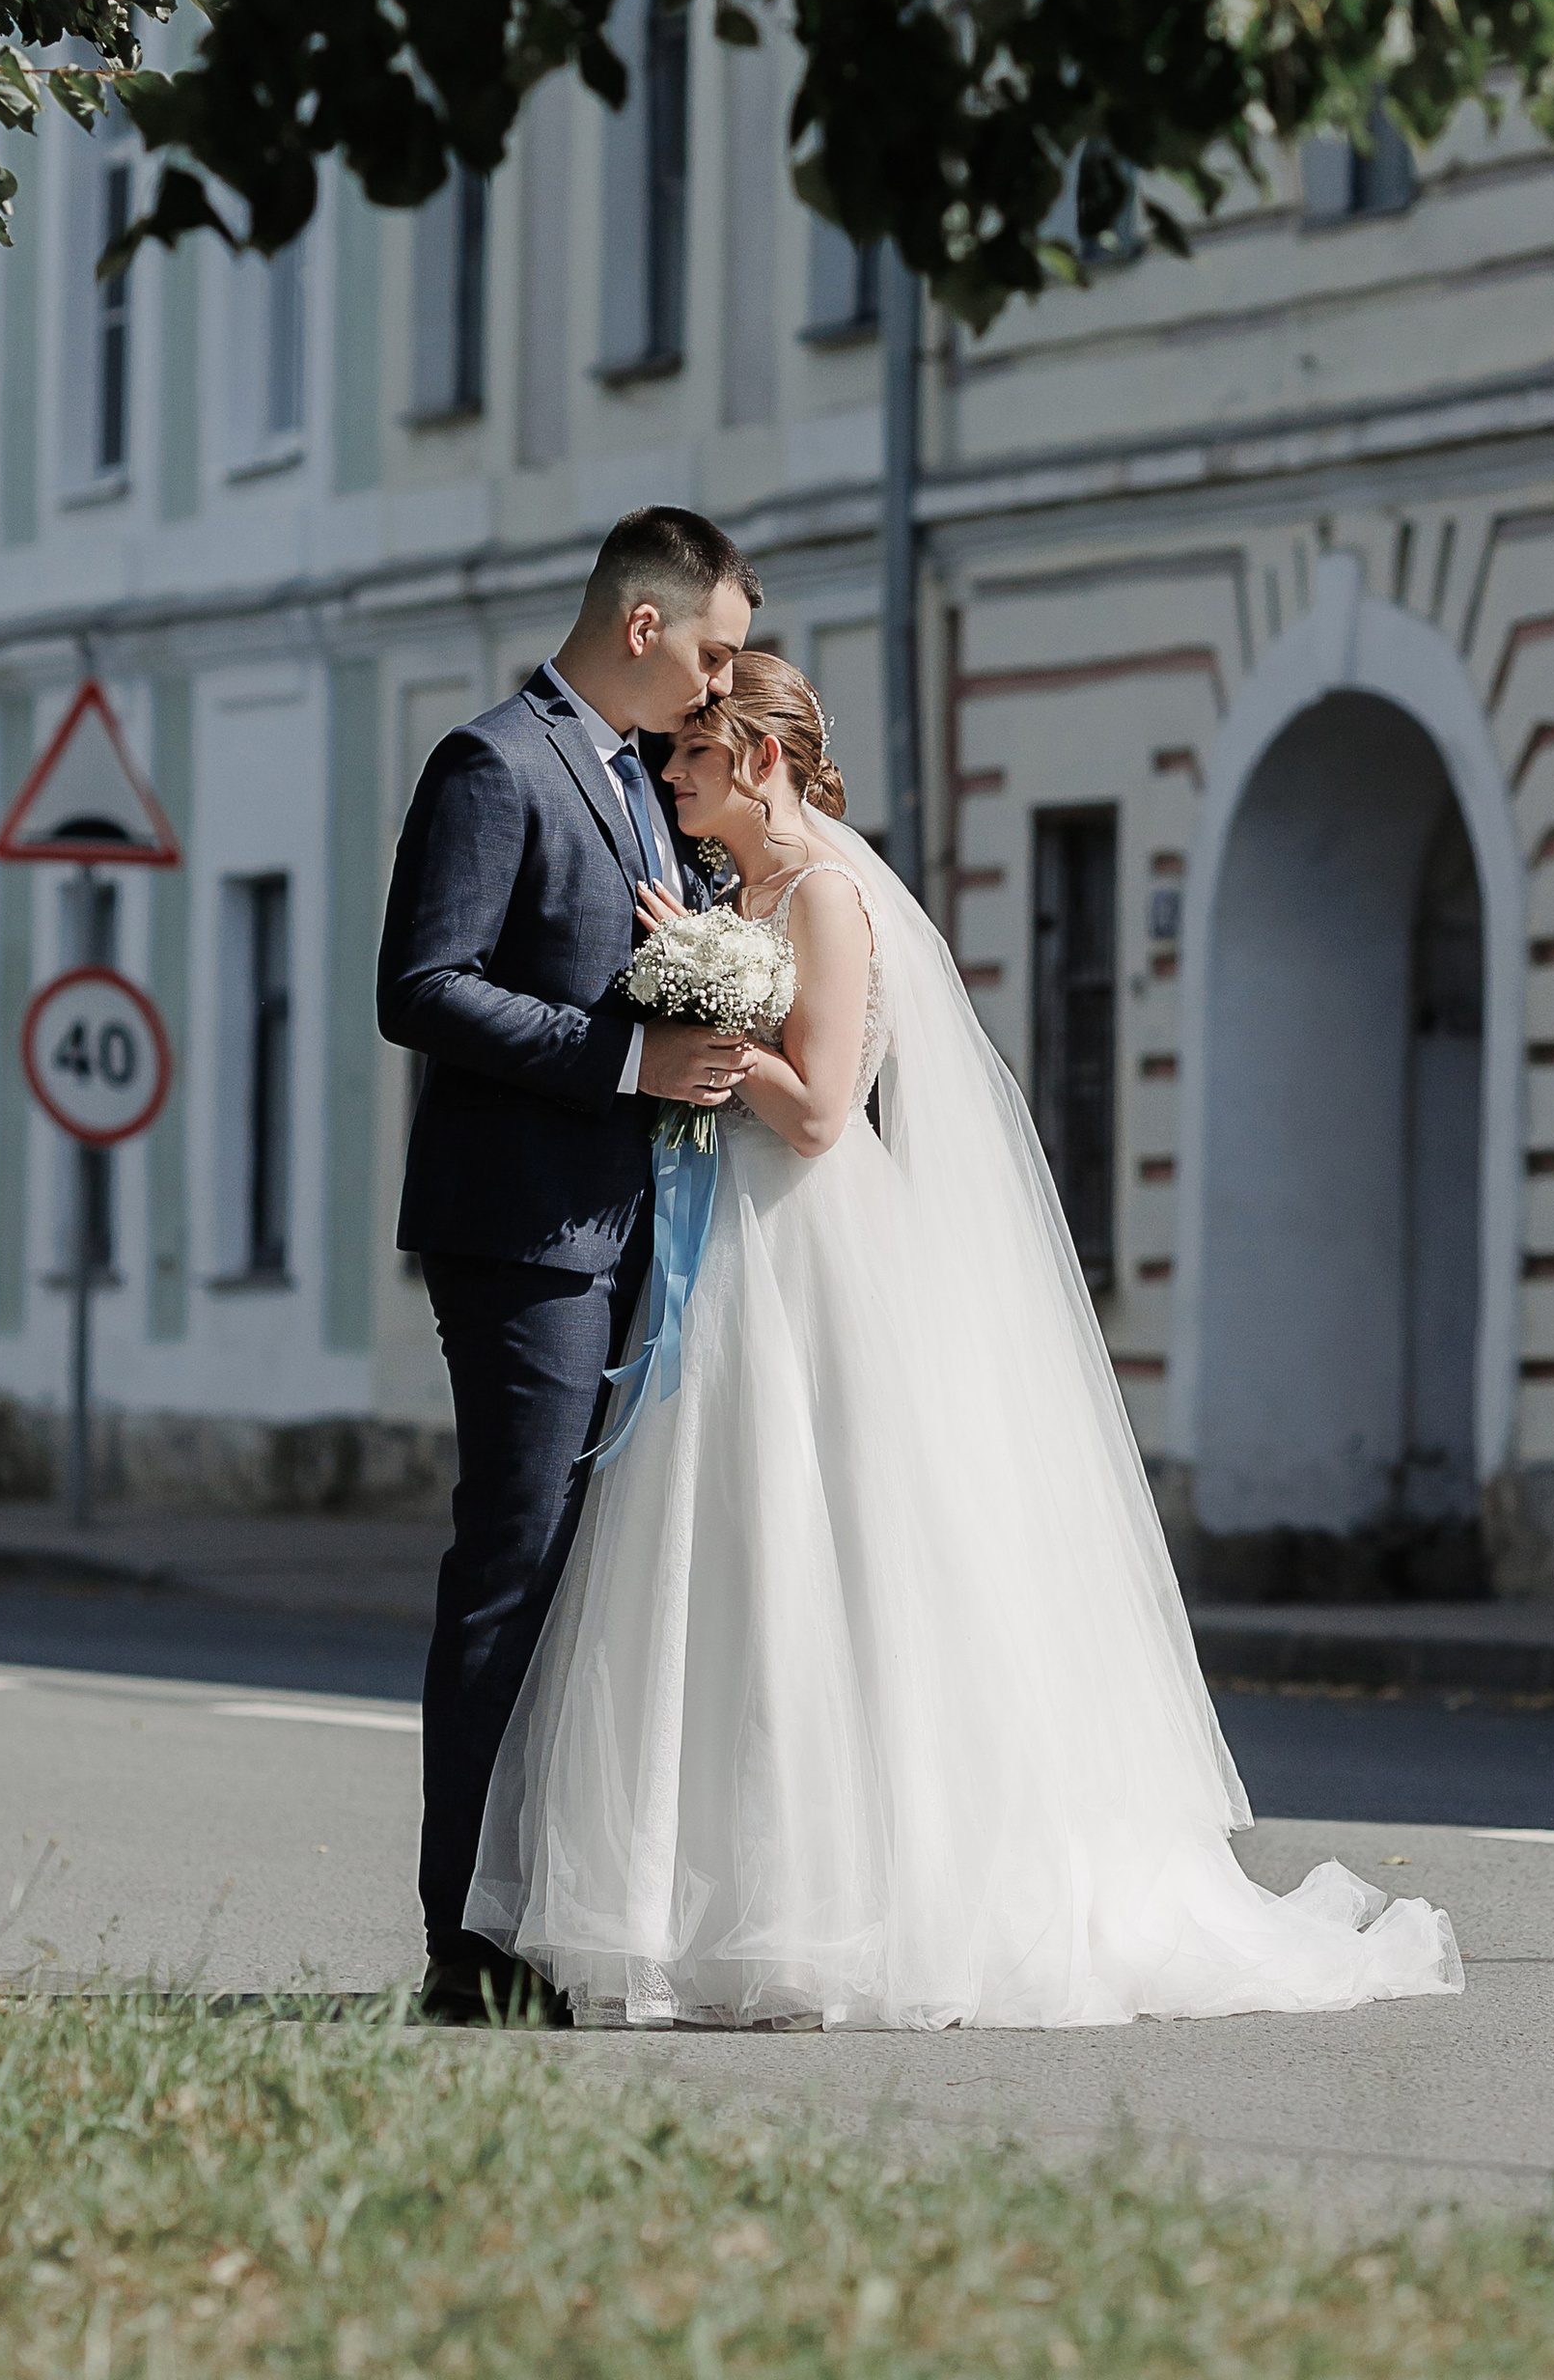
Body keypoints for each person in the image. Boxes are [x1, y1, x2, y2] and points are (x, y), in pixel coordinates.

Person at [467, 649, 1465, 2031]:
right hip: (729, 1235)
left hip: (807, 1243)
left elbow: (823, 1113)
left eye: (692, 753)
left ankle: (855, 1908)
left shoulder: (824, 895)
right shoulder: (729, 892)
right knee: (729, 1565)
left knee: (826, 1560)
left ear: (758, 759)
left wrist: (711, 1019)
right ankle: (716, 1915)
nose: (669, 772)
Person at [377, 505, 762, 2022]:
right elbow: (424, 987)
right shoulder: (495, 764)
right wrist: (626, 1062)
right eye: (712, 653)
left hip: (644, 1233)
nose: (721, 687)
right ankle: (462, 1942)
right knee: (517, 1561)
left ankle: (559, 1909)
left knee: (607, 1583)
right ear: (643, 623)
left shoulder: (642, 780)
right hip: (524, 1239)